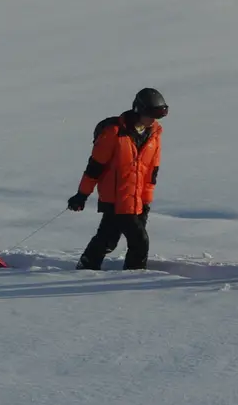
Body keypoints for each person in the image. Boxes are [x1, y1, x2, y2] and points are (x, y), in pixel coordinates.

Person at [68, 88, 167, 270]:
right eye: (150, 115)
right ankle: (133, 279)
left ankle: (87, 265)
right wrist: (82, 195)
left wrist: (145, 201)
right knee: (140, 241)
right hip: (116, 199)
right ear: (138, 110)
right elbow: (95, 167)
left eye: (157, 116)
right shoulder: (114, 133)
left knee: (108, 239)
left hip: (136, 201)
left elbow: (151, 172)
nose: (153, 120)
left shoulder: (154, 135)